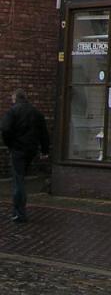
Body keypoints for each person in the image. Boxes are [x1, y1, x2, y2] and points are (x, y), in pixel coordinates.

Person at [1, 90, 49, 223]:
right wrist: (44, 150)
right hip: (31, 150)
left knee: (18, 180)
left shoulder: (12, 112)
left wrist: (10, 144)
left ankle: (19, 213)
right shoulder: (37, 113)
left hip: (17, 149)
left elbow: (5, 129)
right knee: (21, 178)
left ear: (15, 98)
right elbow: (44, 133)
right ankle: (19, 211)